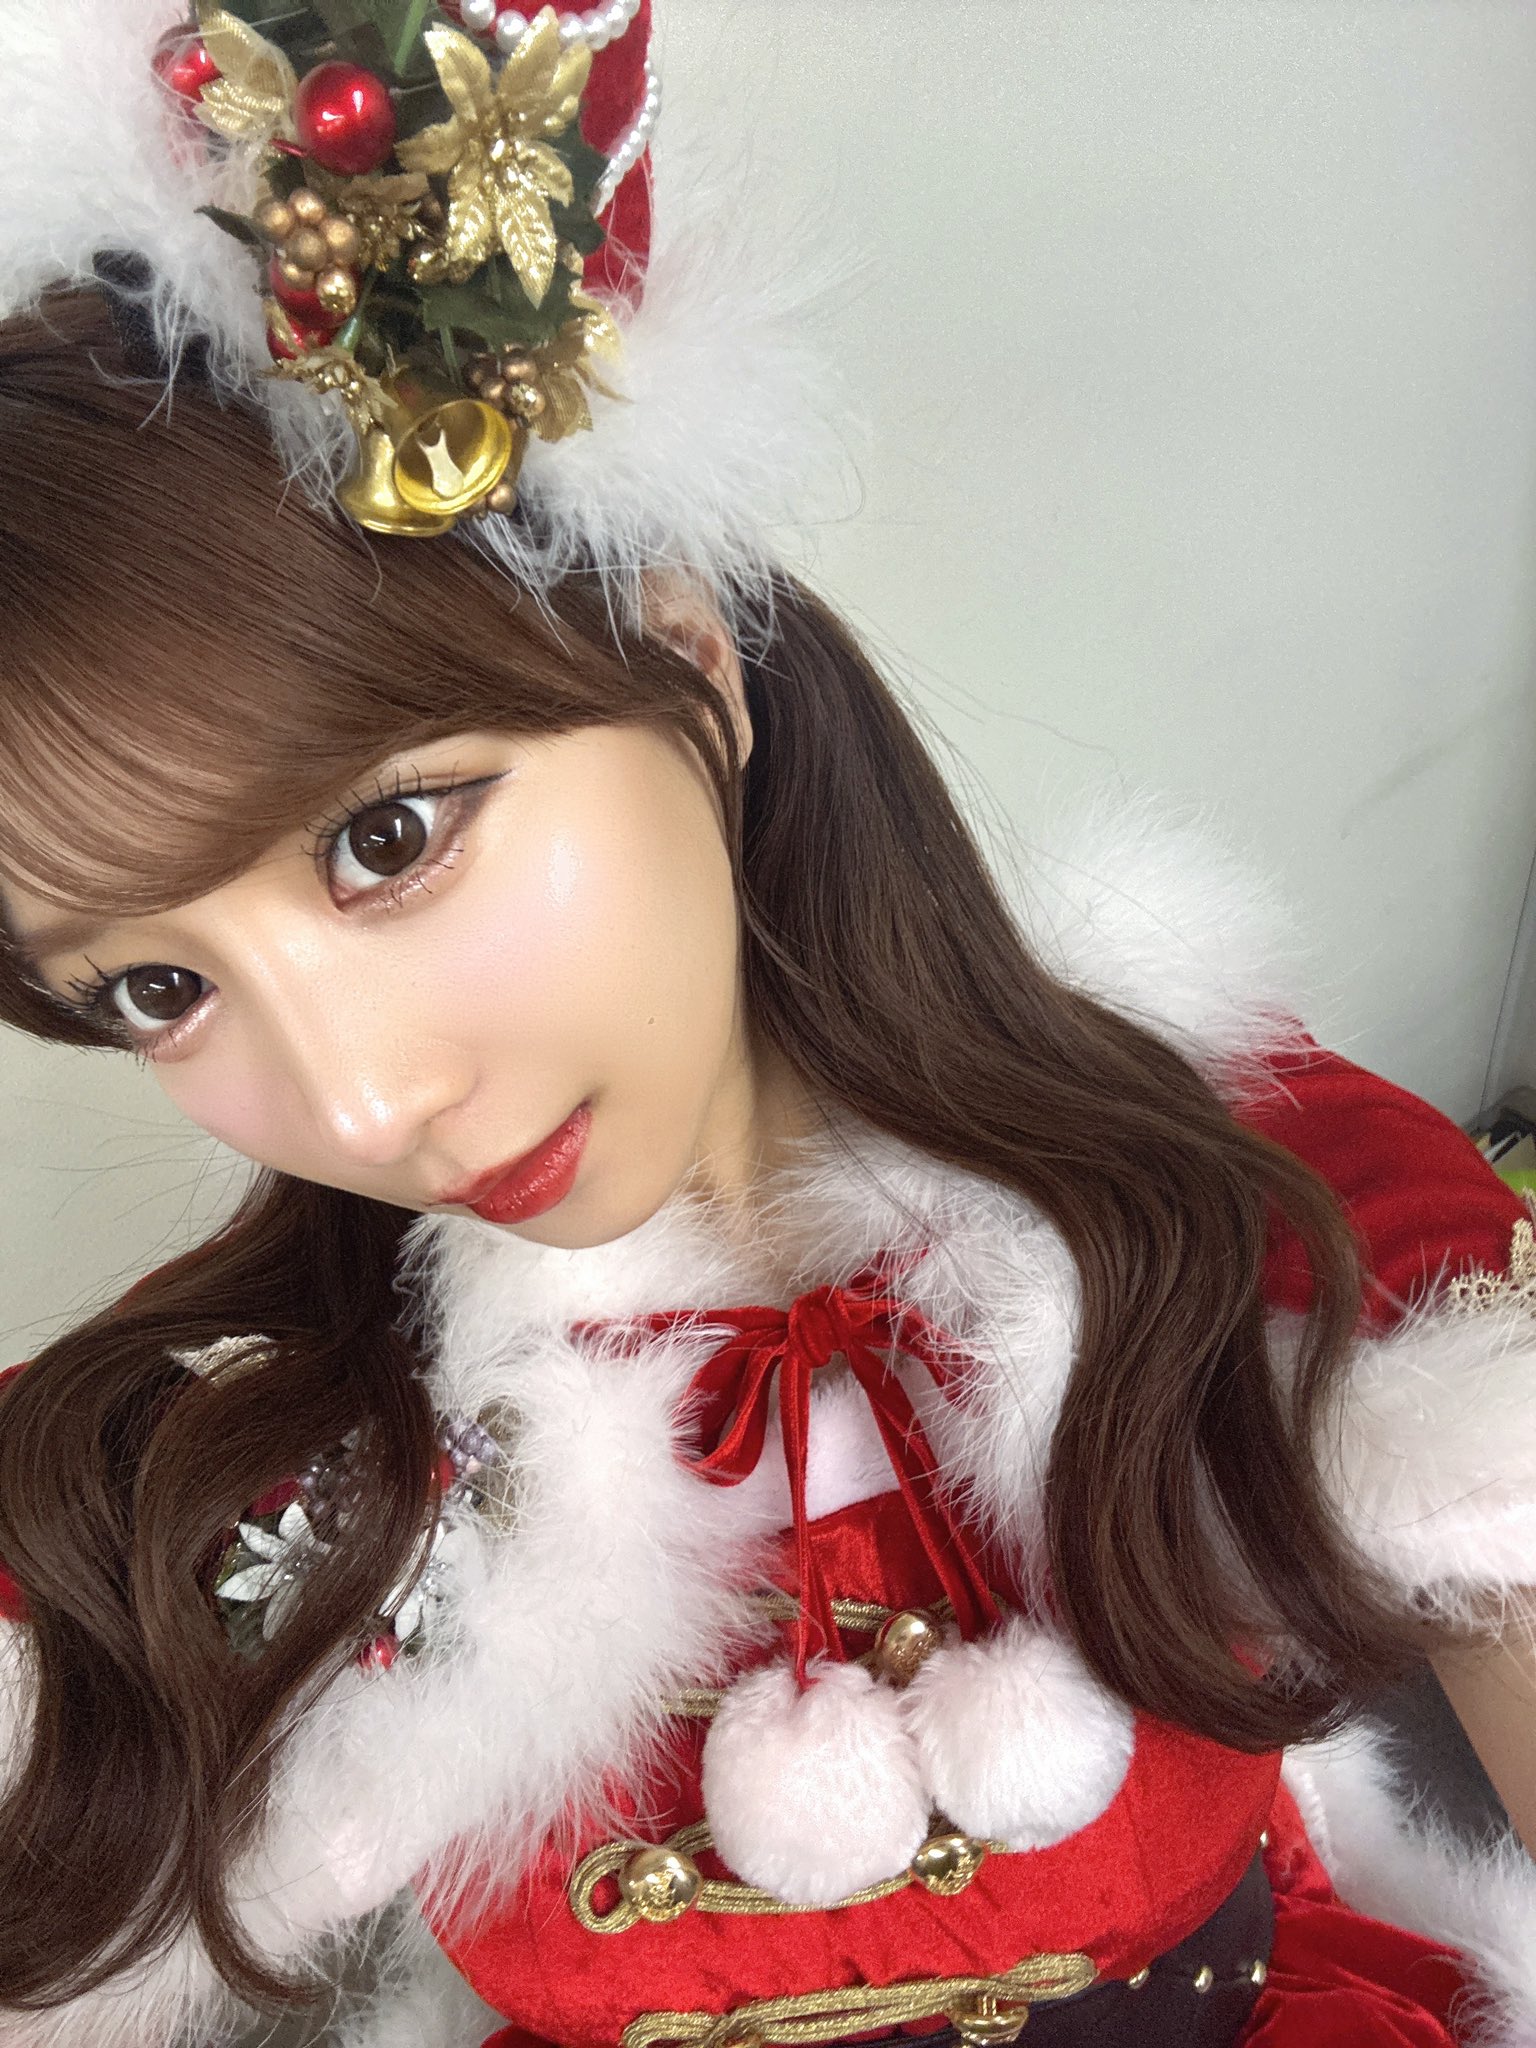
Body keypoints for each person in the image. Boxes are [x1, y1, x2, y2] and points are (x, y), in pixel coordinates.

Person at [1, 4, 1535, 2044]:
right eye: (160, 987)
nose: (363, 1105)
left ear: (689, 657)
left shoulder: (1253, 1179)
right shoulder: (228, 1439)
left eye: (385, 838)